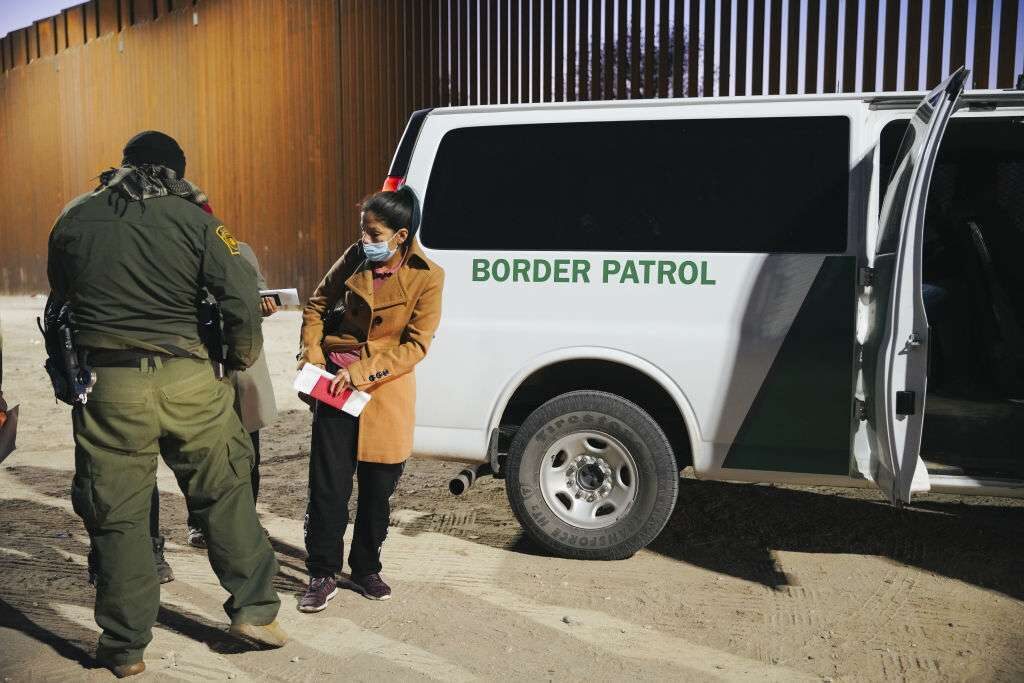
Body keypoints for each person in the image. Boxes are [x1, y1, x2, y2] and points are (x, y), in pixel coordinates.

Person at [47, 131, 288, 677]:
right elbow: (241, 301)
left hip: (108, 389)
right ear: (178, 171)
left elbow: (61, 304)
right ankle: (254, 611)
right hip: (190, 382)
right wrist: (239, 358)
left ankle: (124, 646)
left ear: (124, 164)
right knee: (225, 495)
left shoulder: (73, 219)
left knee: (118, 516)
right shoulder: (200, 222)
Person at [296, 186, 444, 610]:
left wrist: (360, 372)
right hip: (334, 389)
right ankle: (322, 571)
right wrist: (312, 355)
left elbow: (415, 346)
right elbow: (316, 304)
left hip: (385, 391)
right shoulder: (354, 257)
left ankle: (365, 568)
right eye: (363, 231)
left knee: (378, 490)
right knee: (328, 488)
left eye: (374, 234)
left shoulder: (429, 276)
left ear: (400, 236)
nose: (366, 241)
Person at [184, 240, 280, 549]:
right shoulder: (179, 251)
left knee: (247, 450)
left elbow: (259, 292)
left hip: (242, 365)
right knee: (200, 450)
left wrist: (265, 307)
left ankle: (247, 520)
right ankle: (199, 522)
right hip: (198, 363)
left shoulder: (241, 251)